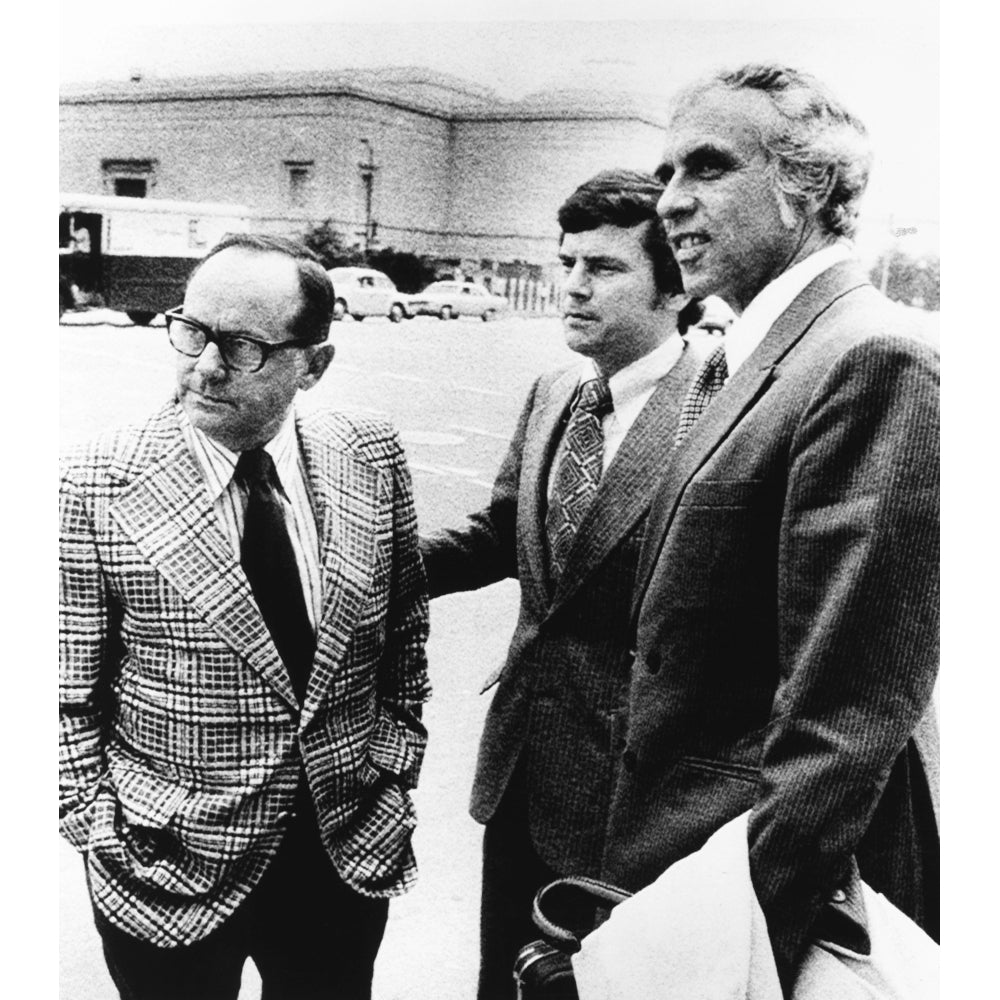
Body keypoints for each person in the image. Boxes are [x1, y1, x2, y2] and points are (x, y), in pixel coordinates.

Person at [604, 63, 939, 995]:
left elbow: (845, 715)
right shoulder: (760, 355)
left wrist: (712, 951)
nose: (669, 203)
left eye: (707, 168)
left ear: (813, 188)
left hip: (758, 920)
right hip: (684, 872)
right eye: (667, 172)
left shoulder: (870, 357)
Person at [59, 233, 431, 1000]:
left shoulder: (370, 452)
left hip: (340, 851)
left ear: (314, 364)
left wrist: (392, 772)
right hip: (165, 866)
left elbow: (404, 639)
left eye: (242, 345)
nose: (203, 364)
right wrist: (97, 827)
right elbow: (65, 690)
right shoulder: (97, 480)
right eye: (191, 330)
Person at [420, 169, 696, 999]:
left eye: (604, 267)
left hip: (636, 787)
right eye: (566, 260)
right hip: (522, 766)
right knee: (504, 982)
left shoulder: (722, 408)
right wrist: (364, 560)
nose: (572, 285)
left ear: (676, 287)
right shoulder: (554, 393)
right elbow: (506, 534)